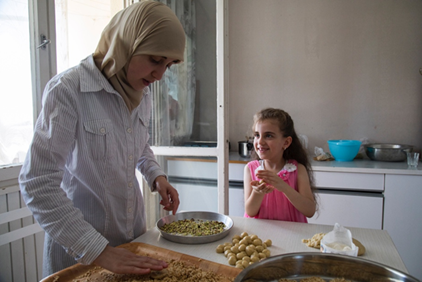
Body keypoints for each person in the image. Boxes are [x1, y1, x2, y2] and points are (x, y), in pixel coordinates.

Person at [19, 0, 185, 277]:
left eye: (168, 65)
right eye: (155, 60)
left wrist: (156, 176)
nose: (159, 75)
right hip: (80, 254)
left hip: (131, 242)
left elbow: (139, 145)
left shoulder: (140, 94)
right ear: (126, 43)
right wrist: (100, 251)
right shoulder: (69, 91)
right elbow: (37, 182)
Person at [244, 108, 317, 222]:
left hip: (293, 235)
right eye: (257, 135)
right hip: (259, 234)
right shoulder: (251, 169)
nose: (260, 141)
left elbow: (310, 211)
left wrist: (284, 187)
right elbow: (250, 212)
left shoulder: (298, 170)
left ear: (286, 142)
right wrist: (257, 193)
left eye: (268, 136)